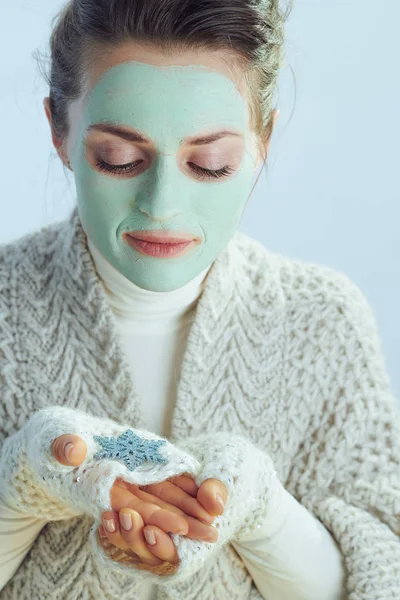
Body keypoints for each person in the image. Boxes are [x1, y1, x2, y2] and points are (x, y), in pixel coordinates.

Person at [0, 0, 399, 599]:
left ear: (262, 141)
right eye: (119, 158)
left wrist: (264, 509)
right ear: (59, 131)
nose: (161, 205)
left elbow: (381, 576)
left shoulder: (323, 322)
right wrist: (24, 482)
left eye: (210, 165)